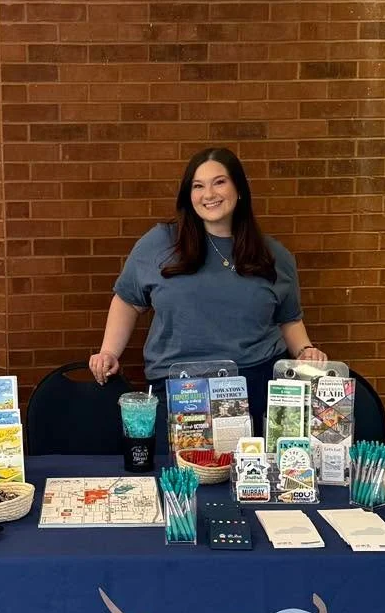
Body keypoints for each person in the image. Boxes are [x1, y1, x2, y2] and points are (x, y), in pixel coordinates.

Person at [89, 147, 327, 439]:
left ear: (239, 189)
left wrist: (305, 351)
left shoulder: (274, 255)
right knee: (180, 467)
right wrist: (109, 352)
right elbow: (128, 301)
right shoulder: (160, 243)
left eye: (219, 182)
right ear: (188, 195)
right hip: (179, 389)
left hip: (254, 386)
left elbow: (288, 318)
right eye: (198, 186)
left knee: (247, 469)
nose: (208, 194)